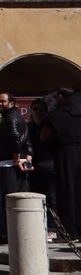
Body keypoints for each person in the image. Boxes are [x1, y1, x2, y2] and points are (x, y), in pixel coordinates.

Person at [44, 87, 81, 240]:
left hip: (66, 154)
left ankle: (70, 231)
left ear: (60, 96)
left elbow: (43, 136)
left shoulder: (56, 115)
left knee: (67, 191)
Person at [0, 93, 32, 203]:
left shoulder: (10, 118)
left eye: (3, 101)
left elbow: (14, 137)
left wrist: (16, 159)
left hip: (10, 164)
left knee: (10, 200)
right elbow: (27, 139)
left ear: (11, 103)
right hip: (18, 162)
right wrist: (28, 157)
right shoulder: (18, 117)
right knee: (20, 200)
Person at [28, 98, 57, 238]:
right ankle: (39, 226)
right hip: (34, 165)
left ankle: (53, 227)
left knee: (51, 197)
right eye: (35, 109)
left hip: (49, 163)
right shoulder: (29, 127)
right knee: (36, 196)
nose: (38, 112)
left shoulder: (51, 126)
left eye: (41, 109)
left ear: (46, 111)